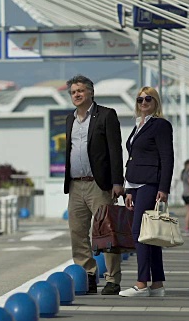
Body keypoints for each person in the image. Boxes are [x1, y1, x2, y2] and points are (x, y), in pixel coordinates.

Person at [63, 74, 125, 295]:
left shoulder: (106, 115)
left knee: (106, 233)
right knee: (78, 233)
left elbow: (115, 151)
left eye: (80, 91)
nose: (77, 95)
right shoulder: (70, 119)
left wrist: (118, 182)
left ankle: (112, 279)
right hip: (75, 185)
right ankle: (87, 276)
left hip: (99, 185)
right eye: (73, 92)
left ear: (90, 92)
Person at [119, 86, 174, 297]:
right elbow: (134, 158)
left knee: (139, 232)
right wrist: (129, 190)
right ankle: (157, 284)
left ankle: (141, 283)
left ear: (156, 102)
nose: (143, 102)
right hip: (136, 183)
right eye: (140, 99)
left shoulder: (160, 125)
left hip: (151, 183)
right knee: (150, 234)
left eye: (148, 99)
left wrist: (164, 188)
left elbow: (167, 158)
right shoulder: (138, 125)